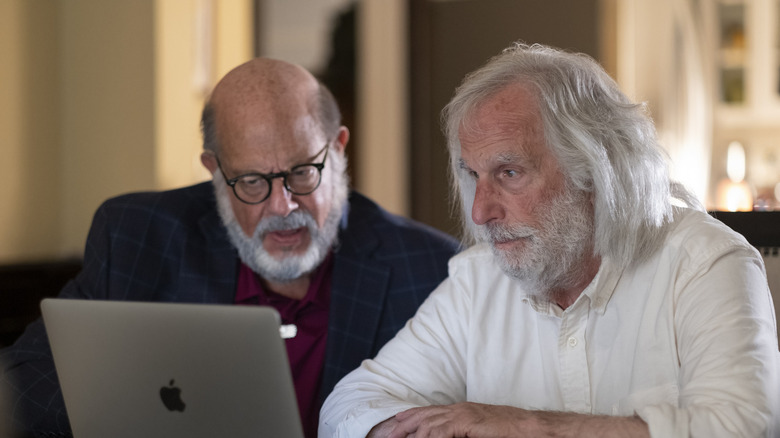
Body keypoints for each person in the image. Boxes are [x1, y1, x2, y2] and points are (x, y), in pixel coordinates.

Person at [320, 43, 780, 437]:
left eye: (510, 172)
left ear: (597, 170)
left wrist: (531, 428)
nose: (481, 211)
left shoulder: (705, 262)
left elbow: (744, 427)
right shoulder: (479, 279)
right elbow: (350, 405)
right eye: (473, 175)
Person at [0, 58, 459, 438]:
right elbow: (24, 385)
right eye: (253, 181)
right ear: (214, 171)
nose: (283, 206)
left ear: (338, 149)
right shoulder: (139, 236)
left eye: (303, 172)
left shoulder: (430, 269)